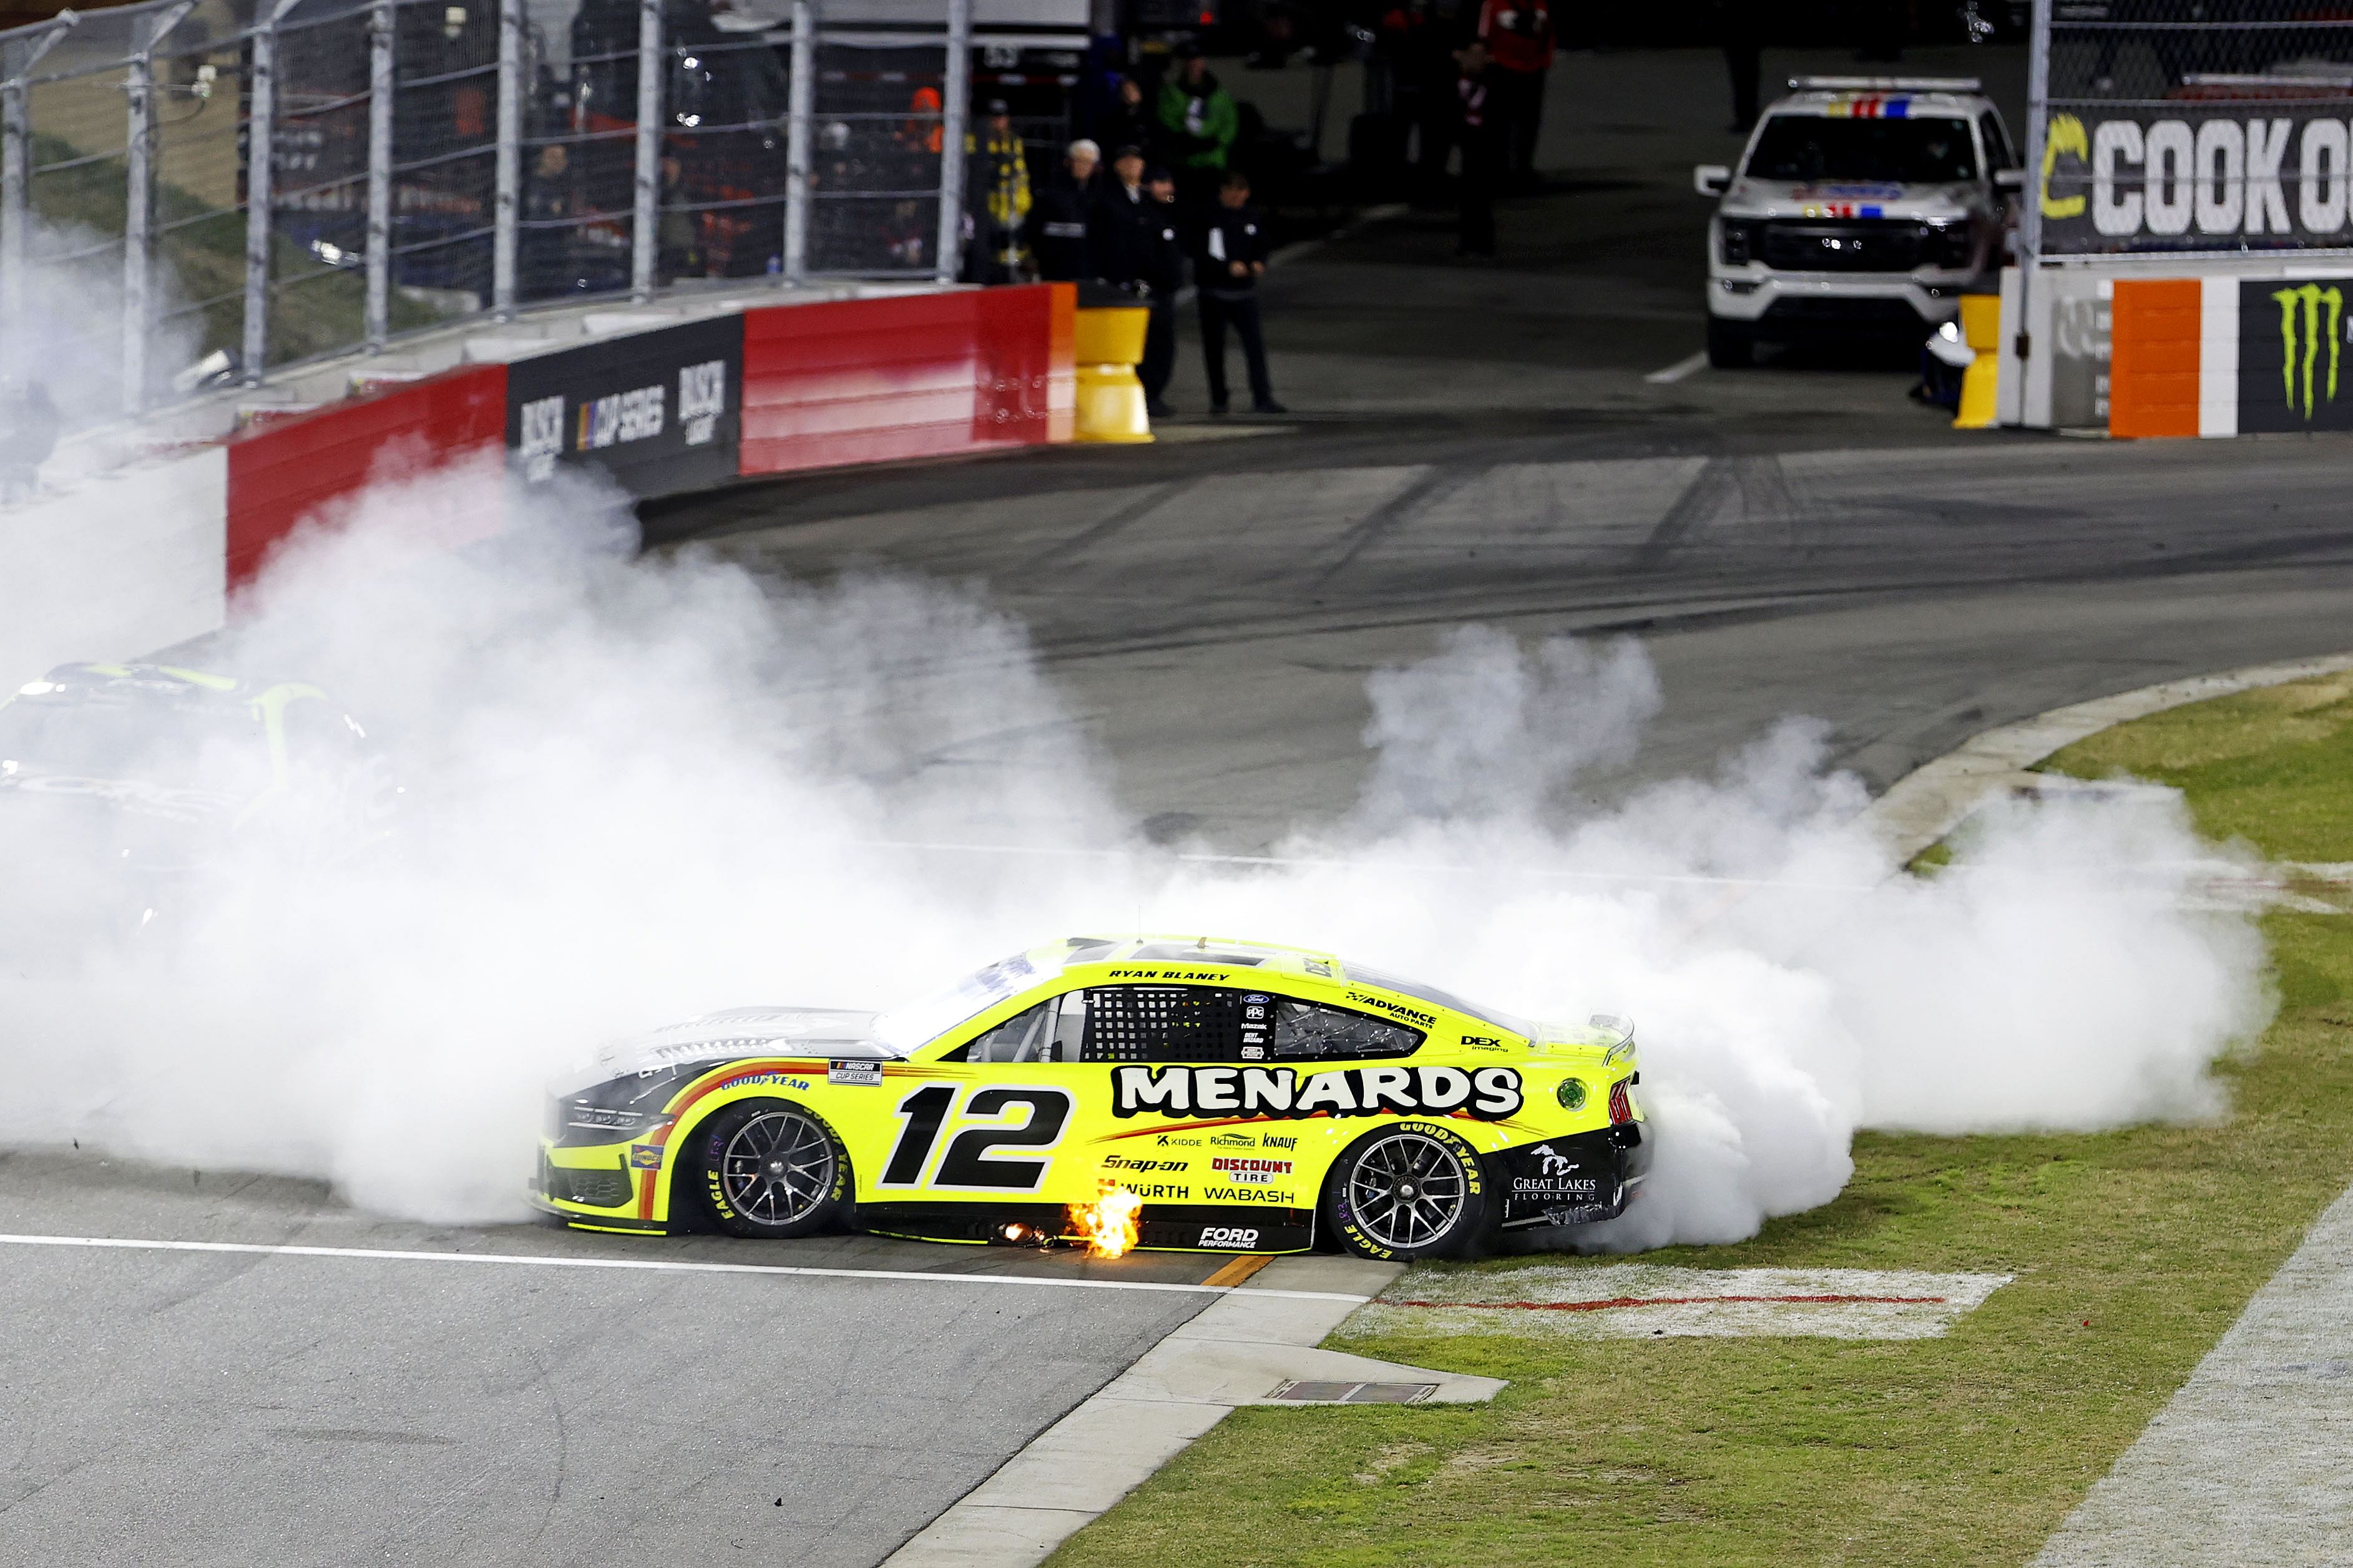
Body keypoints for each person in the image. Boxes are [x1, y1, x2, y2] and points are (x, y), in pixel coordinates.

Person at [1196, 170, 1284, 415]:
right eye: (1232, 190)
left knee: (1255, 347)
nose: (1237, 195)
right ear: (1222, 192)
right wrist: (1226, 267)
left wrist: (1258, 262)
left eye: (1242, 190)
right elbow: (1203, 251)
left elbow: (1263, 245)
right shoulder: (1209, 217)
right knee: (1215, 349)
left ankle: (1263, 397)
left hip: (1244, 293)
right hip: (1215, 293)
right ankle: (1219, 399)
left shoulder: (1251, 217)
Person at [1474, 0, 1552, 191]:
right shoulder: (1493, 3)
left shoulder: (1539, 4)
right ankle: (1500, 170)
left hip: (1533, 69)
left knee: (1530, 122)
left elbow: (1547, 33)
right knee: (1500, 123)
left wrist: (1545, 60)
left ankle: (1524, 167)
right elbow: (1483, 34)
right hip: (1503, 69)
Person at [1157, 47, 1240, 204]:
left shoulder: (1220, 95)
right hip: (1183, 162)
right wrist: (1184, 140)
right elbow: (1166, 120)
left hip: (1212, 163)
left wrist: (1216, 141)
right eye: (1189, 61)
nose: (1194, 65)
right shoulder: (1171, 93)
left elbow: (1230, 123)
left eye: (1197, 60)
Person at [1136, 167, 1188, 416]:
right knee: (1153, 345)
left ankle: (1154, 395)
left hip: (1166, 292)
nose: (1168, 189)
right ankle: (1148, 395)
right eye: (1161, 183)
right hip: (1152, 291)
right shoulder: (1145, 216)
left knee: (1164, 346)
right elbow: (1146, 256)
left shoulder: (1168, 214)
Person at [970, 99, 1032, 283]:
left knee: (1011, 258)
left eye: (1001, 117)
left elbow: (1021, 178)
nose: (998, 122)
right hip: (984, 211)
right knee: (984, 258)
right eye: (994, 118)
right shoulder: (975, 142)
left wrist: (1023, 206)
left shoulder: (1014, 143)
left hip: (1012, 209)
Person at [1029, 139, 1101, 281]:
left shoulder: (1099, 196)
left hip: (1088, 272)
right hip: (1055, 270)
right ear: (1069, 162)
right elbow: (1035, 229)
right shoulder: (1050, 193)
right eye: (1079, 160)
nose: (1083, 166)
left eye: (1088, 162)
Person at [1453, 41, 1500, 258]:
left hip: (1483, 143)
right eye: (1472, 55)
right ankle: (1467, 240)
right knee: (1467, 194)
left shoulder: (1492, 85)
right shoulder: (1454, 85)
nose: (1476, 61)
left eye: (1481, 56)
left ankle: (1483, 241)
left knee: (1480, 194)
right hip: (1466, 141)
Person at [1092, 144, 1152, 287]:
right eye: (1126, 161)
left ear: (1142, 165)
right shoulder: (1106, 198)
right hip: (1118, 278)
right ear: (1117, 166)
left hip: (1150, 279)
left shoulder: (1151, 199)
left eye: (1135, 160)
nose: (1131, 164)